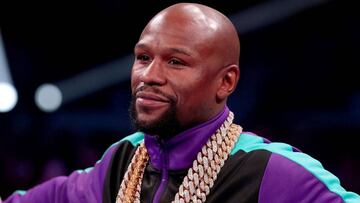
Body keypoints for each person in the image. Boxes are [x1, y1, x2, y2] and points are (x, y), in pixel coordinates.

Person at [3, 3, 360, 203]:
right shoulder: (122, 161)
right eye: (143, 58)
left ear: (226, 82)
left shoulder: (273, 172)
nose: (149, 76)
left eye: (176, 62)